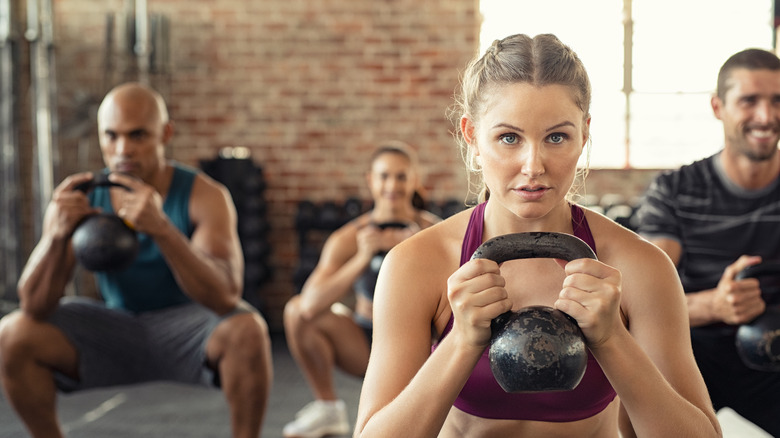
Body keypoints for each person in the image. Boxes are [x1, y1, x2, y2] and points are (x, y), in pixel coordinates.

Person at [354, 33, 721, 438]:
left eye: (556, 137)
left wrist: (613, 339)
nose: (533, 165)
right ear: (472, 137)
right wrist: (460, 341)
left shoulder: (638, 265)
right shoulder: (417, 264)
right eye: (509, 138)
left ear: (584, 134)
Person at [0, 82, 273, 438]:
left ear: (166, 133)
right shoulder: (82, 198)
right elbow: (34, 305)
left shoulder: (205, 196)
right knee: (13, 332)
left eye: (138, 135)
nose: (122, 149)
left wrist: (163, 230)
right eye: (111, 136)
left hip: (187, 328)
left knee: (248, 329)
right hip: (112, 326)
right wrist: (56, 236)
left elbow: (225, 297)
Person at [635, 48, 780, 436]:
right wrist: (715, 304)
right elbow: (642, 303)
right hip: (692, 355)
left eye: (777, 101)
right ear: (718, 107)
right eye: (750, 101)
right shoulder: (674, 191)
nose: (766, 117)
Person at [282, 142, 440, 438]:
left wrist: (418, 252)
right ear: (370, 180)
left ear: (415, 179)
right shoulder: (349, 238)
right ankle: (328, 408)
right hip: (365, 341)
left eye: (401, 177)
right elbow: (309, 305)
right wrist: (361, 257)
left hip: (423, 347)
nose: (392, 185)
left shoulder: (434, 233)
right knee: (294, 310)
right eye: (384, 176)